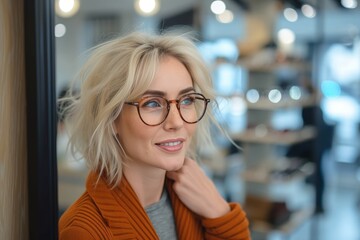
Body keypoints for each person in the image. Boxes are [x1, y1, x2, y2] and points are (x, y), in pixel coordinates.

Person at [58, 31, 251, 239]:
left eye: (186, 100)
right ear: (112, 118)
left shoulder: (199, 199)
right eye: (152, 103)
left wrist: (220, 214)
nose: (177, 122)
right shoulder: (83, 231)